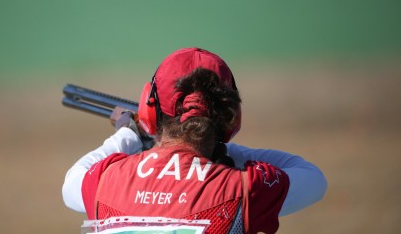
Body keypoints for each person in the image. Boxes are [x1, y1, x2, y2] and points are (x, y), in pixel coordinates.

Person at [62, 47, 327, 234]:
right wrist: (222, 156)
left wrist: (129, 134)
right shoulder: (244, 187)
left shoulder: (105, 180)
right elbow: (313, 179)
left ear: (149, 110)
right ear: (230, 118)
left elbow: (72, 183)